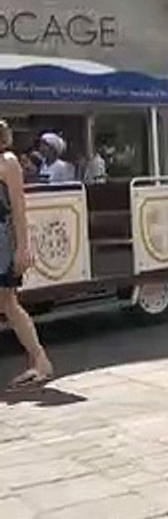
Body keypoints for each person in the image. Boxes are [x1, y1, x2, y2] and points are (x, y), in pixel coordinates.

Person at [0, 120, 53, 389]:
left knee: (8, 301)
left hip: (2, 241)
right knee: (8, 303)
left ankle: (40, 359)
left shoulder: (8, 161)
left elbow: (19, 207)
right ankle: (40, 359)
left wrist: (23, 246)